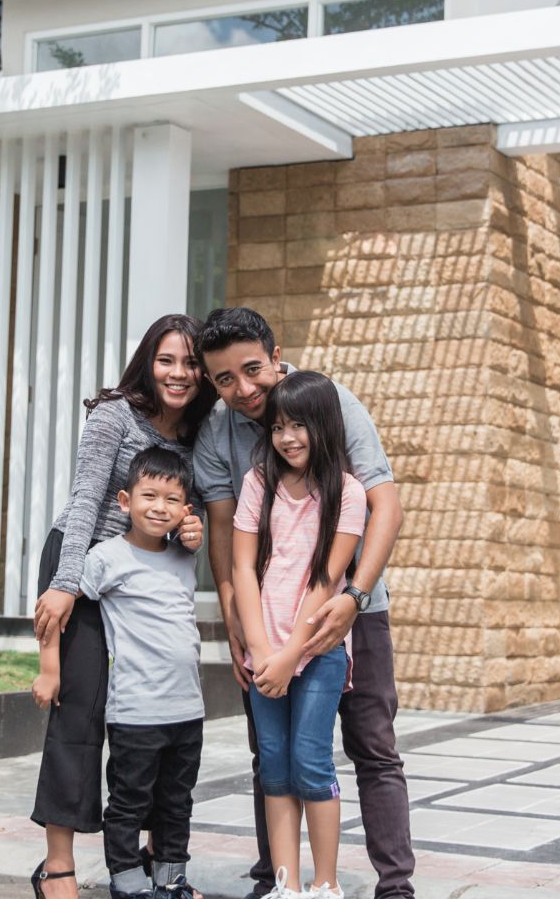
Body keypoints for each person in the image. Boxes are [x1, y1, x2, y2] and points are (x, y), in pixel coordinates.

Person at [193, 308, 412, 899]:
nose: (243, 389)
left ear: (276, 351)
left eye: (253, 369)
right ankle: (277, 879)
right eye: (224, 379)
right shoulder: (218, 430)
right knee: (273, 753)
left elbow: (383, 505)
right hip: (264, 617)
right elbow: (223, 534)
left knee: (372, 745)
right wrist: (236, 621)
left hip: (351, 608)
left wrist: (355, 596)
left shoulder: (331, 402)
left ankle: (394, 885)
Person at [30, 314, 218, 899]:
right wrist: (64, 584)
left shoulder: (199, 431)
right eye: (167, 360)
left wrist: (188, 530)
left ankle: (159, 862)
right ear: (148, 361)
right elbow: (86, 500)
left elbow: (188, 507)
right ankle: (57, 865)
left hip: (147, 574)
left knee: (152, 716)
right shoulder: (114, 414)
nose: (179, 373)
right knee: (78, 710)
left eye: (190, 363)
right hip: (83, 563)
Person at [231, 373, 365, 899]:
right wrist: (262, 650)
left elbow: (328, 578)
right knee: (276, 767)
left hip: (319, 653)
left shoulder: (348, 493)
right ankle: (285, 885)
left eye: (300, 425)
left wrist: (292, 653)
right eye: (280, 426)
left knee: (311, 762)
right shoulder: (258, 484)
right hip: (264, 653)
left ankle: (325, 884)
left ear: (324, 425)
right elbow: (243, 568)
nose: (288, 437)